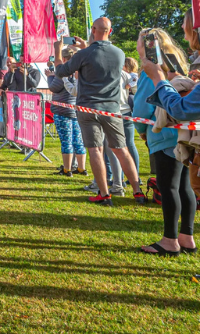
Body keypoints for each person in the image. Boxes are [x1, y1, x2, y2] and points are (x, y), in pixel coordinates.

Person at [53, 18, 147, 206]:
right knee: (122, 149)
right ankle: (138, 192)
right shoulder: (119, 54)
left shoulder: (84, 54)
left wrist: (57, 49)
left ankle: (104, 194)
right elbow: (99, 57)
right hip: (112, 109)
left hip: (88, 109)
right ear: (110, 32)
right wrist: (87, 46)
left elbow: (61, 71)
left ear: (94, 30)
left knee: (95, 150)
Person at [137, 17, 199, 256]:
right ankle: (187, 237)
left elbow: (142, 108)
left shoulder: (150, 71)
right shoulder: (181, 66)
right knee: (185, 188)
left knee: (168, 187)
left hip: (162, 135)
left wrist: (142, 133)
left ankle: (169, 241)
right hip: (184, 135)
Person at [47, 49, 85, 176]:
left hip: (62, 110)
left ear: (63, 59)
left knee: (66, 140)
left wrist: (49, 77)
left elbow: (54, 87)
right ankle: (81, 168)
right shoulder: (80, 70)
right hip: (76, 109)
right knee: (78, 140)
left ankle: (67, 169)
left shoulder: (63, 71)